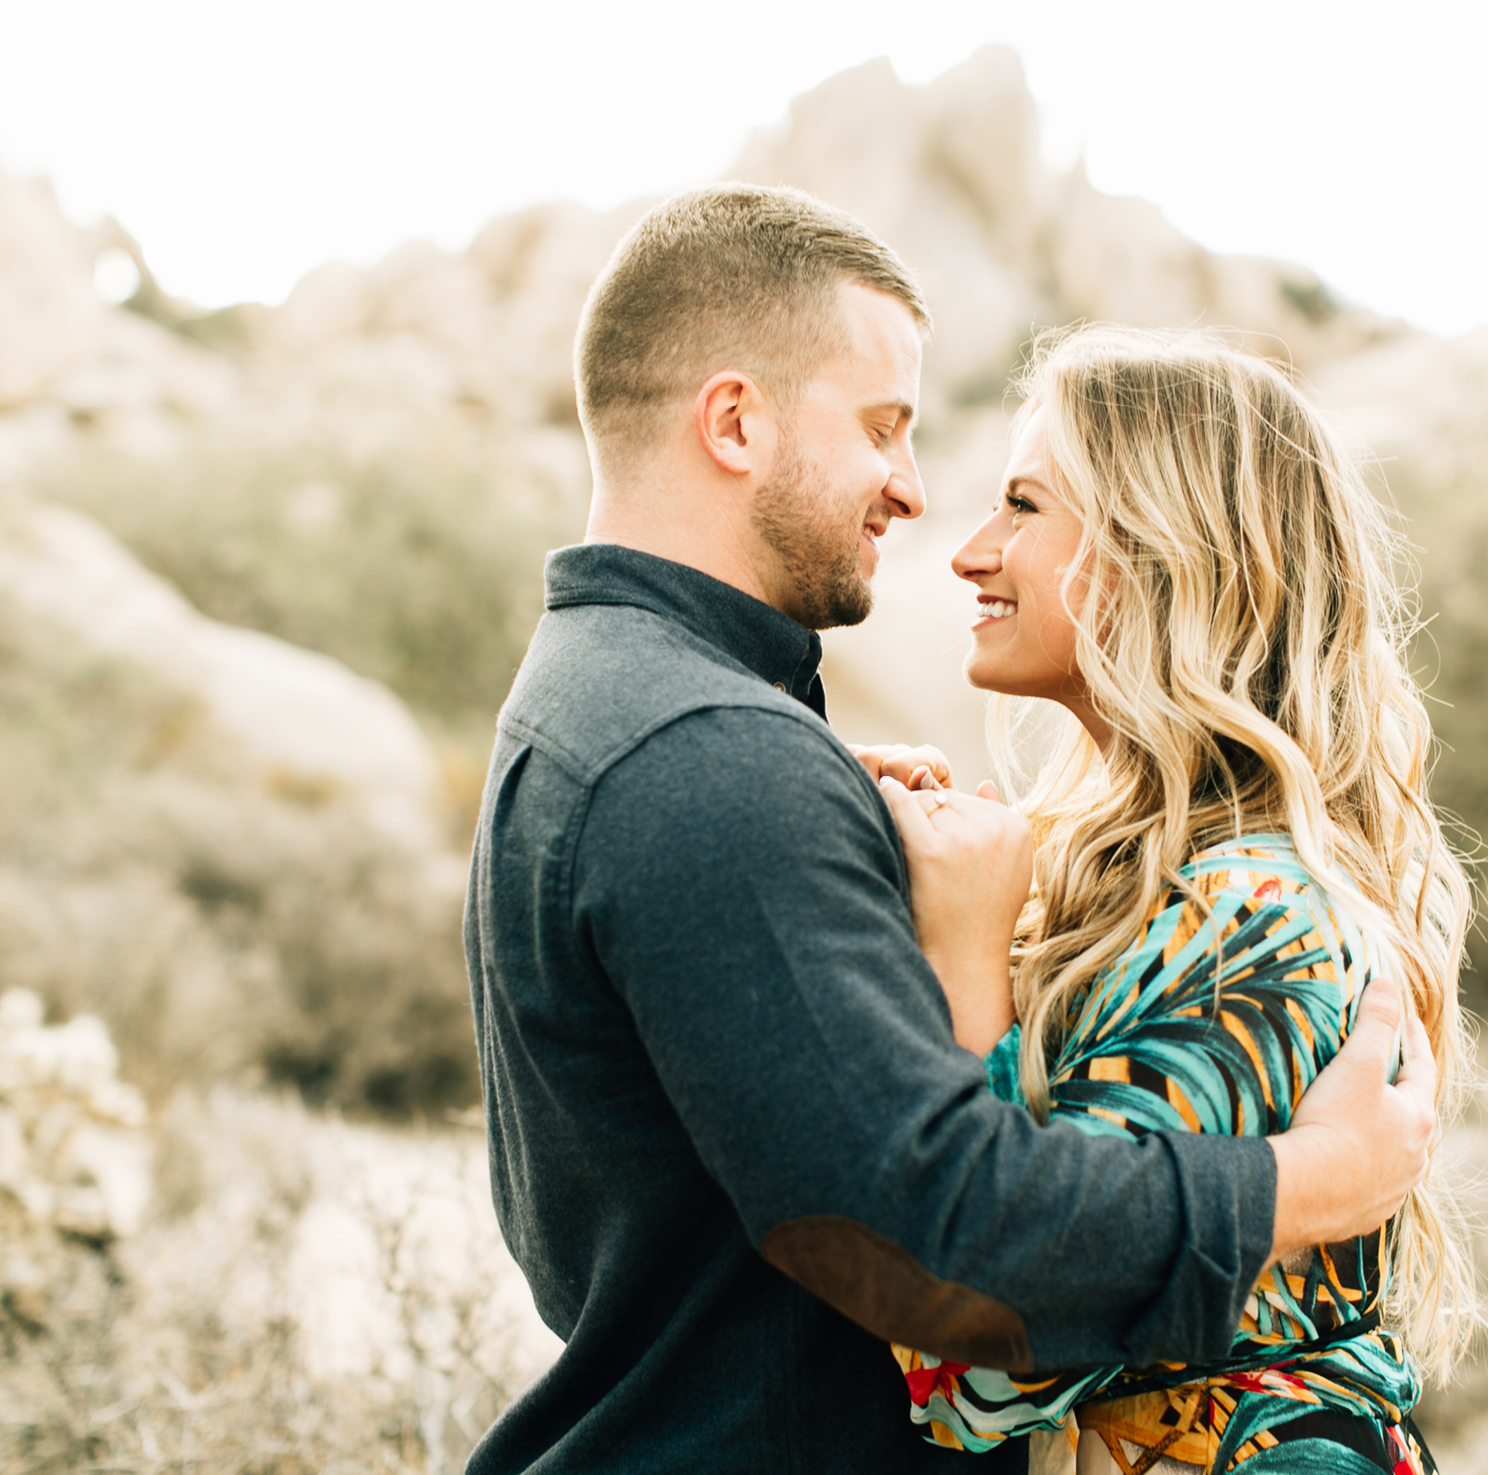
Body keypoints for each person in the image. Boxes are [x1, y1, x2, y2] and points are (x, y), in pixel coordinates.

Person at [462, 184, 1439, 1474]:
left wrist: (829, 835)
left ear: (1167, 554)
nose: (931, 509)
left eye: (1021, 503)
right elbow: (954, 1266)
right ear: (735, 421)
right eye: (884, 427)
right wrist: (1310, 1180)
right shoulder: (703, 755)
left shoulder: (620, 711)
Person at [885, 327, 1477, 1474]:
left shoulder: (1250, 916)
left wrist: (963, 958)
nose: (968, 552)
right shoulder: (1168, 885)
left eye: (1020, 505)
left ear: (1159, 553)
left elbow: (977, 1362)